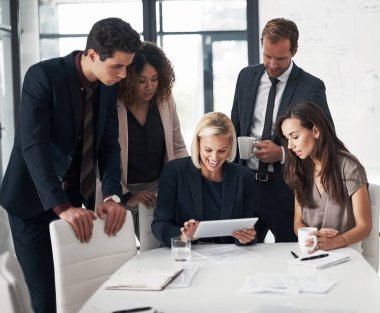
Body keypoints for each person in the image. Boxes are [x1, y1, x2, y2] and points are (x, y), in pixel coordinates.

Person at [0, 18, 141, 312]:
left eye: (127, 66)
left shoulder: (108, 85)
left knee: (79, 293)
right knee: (47, 301)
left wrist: (113, 197)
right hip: (33, 204)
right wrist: (61, 206)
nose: (123, 74)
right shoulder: (42, 76)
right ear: (92, 55)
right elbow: (33, 147)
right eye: (117, 66)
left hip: (78, 204)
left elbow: (108, 145)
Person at [231, 17, 334, 243]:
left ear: (294, 50)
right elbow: (235, 127)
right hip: (247, 186)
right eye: (267, 56)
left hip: (288, 190)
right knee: (241, 255)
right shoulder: (246, 77)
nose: (273, 64)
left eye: (280, 58)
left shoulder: (311, 87)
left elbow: (326, 141)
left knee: (290, 256)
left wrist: (283, 154)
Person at [97, 41, 188, 238]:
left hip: (159, 190)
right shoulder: (114, 103)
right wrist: (127, 196)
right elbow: (102, 156)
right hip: (121, 190)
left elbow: (177, 146)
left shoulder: (164, 99)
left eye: (155, 79)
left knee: (161, 250)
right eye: (141, 80)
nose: (150, 87)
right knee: (120, 253)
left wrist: (181, 183)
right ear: (128, 78)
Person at [276, 101, 371, 252]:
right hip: (314, 251)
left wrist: (336, 242)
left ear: (315, 131)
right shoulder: (299, 169)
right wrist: (314, 236)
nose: (289, 146)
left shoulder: (349, 166)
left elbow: (364, 226)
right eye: (287, 139)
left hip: (347, 253)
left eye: (295, 137)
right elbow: (298, 223)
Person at [152, 112, 256, 247]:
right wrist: (183, 236)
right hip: (187, 253)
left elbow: (251, 229)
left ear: (230, 148)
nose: (214, 158)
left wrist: (247, 237)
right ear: (198, 144)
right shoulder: (174, 171)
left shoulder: (244, 177)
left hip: (228, 257)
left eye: (222, 151)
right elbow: (159, 224)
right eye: (208, 150)